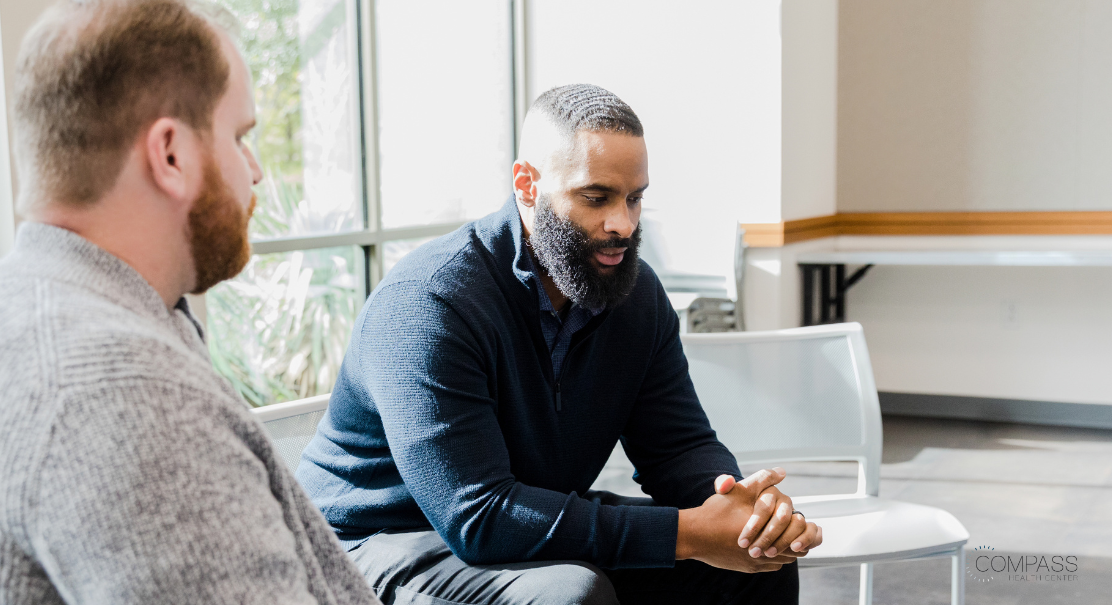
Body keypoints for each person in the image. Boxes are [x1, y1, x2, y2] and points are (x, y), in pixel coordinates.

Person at [0, 0, 378, 604]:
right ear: (171, 154)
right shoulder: (118, 386)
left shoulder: (13, 308)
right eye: (239, 136)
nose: (255, 170)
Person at [295, 84, 823, 605]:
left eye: (634, 198)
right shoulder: (429, 303)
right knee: (568, 595)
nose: (622, 223)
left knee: (755, 564)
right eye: (595, 198)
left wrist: (740, 512)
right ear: (527, 183)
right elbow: (478, 516)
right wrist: (689, 534)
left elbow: (677, 447)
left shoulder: (632, 295)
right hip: (374, 546)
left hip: (519, 513)